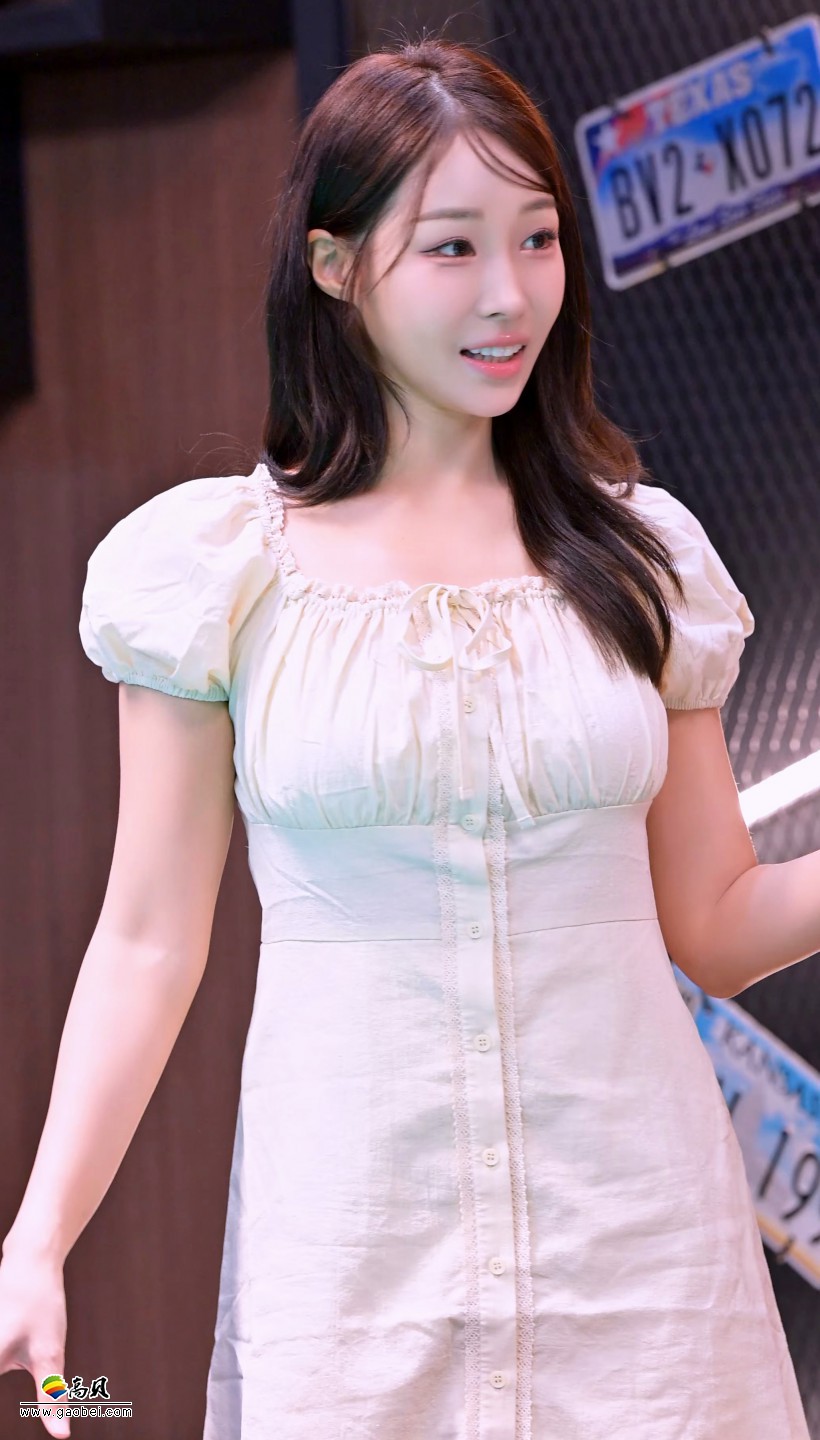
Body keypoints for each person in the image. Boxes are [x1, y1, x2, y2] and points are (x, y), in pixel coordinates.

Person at [0, 34, 816, 1440]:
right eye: (452, 247)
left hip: (644, 1260)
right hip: (354, 1262)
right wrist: (38, 1235)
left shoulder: (643, 559)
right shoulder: (219, 571)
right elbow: (147, 939)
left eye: (538, 238)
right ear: (335, 266)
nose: (511, 294)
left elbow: (718, 921)